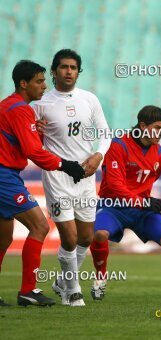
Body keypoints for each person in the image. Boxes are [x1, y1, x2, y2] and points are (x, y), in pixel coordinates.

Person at [89, 105, 161, 303]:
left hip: (140, 210)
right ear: (143, 126)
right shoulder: (118, 145)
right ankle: (100, 279)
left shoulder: (158, 153)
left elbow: (150, 180)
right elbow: (115, 185)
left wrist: (143, 201)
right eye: (157, 128)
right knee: (100, 234)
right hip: (112, 206)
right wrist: (142, 200)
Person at [0, 60, 85, 306]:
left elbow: (18, 141)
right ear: (23, 84)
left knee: (3, 239)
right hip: (5, 177)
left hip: (6, 175)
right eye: (39, 81)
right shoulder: (19, 109)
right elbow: (33, 151)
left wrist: (35, 131)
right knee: (40, 227)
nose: (44, 86)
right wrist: (65, 165)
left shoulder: (9, 106)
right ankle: (28, 290)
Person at [32, 49, 111, 306]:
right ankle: (72, 291)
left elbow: (106, 134)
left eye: (73, 67)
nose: (69, 71)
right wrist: (37, 133)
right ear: (53, 71)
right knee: (70, 238)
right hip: (57, 177)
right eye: (63, 67)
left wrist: (98, 155)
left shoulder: (89, 99)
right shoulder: (39, 105)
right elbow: (29, 141)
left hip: (86, 176)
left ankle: (61, 281)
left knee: (86, 237)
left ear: (79, 71)